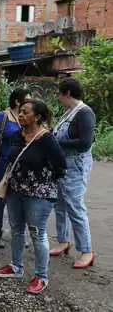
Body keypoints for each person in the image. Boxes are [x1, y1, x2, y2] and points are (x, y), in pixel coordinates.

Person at [0, 100, 67, 295]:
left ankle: (41, 276)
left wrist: (42, 182)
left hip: (38, 196)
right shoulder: (18, 135)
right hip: (15, 191)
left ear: (37, 117)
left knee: (37, 234)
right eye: (20, 112)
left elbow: (61, 167)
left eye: (25, 113)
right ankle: (16, 266)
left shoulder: (46, 140)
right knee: (16, 230)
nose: (20, 115)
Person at [49, 78, 96, 268]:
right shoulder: (69, 113)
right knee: (59, 205)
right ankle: (63, 240)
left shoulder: (84, 113)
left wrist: (57, 143)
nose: (59, 98)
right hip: (62, 165)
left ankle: (87, 251)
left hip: (75, 165)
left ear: (67, 93)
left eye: (60, 94)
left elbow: (85, 142)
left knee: (75, 207)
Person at [0, 88, 31, 248]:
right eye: (27, 99)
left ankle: (18, 233)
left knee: (21, 199)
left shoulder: (27, 118)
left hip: (22, 164)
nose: (30, 102)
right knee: (2, 198)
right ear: (17, 101)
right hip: (4, 163)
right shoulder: (2, 116)